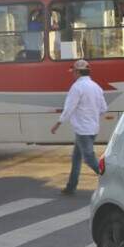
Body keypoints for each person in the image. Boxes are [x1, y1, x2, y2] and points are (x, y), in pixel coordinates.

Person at [50, 59, 107, 196]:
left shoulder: (77, 87)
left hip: (83, 130)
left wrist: (58, 123)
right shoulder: (96, 86)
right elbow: (104, 108)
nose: (72, 74)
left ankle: (109, 179)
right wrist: (91, 115)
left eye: (73, 72)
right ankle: (71, 186)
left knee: (88, 158)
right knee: (76, 157)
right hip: (93, 128)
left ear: (77, 72)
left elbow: (69, 108)